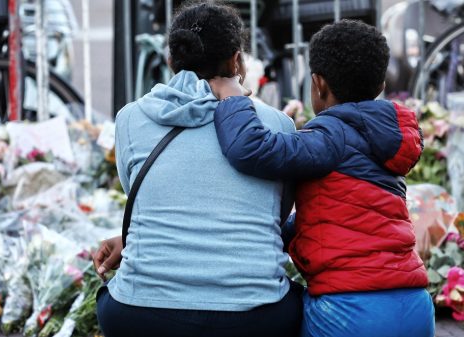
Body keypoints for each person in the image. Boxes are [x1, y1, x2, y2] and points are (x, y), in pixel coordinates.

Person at [209, 20, 435, 337]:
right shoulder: (389, 141)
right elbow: (345, 212)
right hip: (414, 304)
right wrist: (276, 232)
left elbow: (251, 148)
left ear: (318, 85)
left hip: (350, 309)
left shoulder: (329, 136)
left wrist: (233, 98)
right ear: (381, 85)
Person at [93, 2, 303, 337]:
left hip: (140, 316)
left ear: (170, 61)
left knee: (107, 299)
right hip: (253, 319)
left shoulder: (130, 119)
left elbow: (145, 198)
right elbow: (275, 216)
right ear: (237, 61)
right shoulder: (278, 124)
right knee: (295, 305)